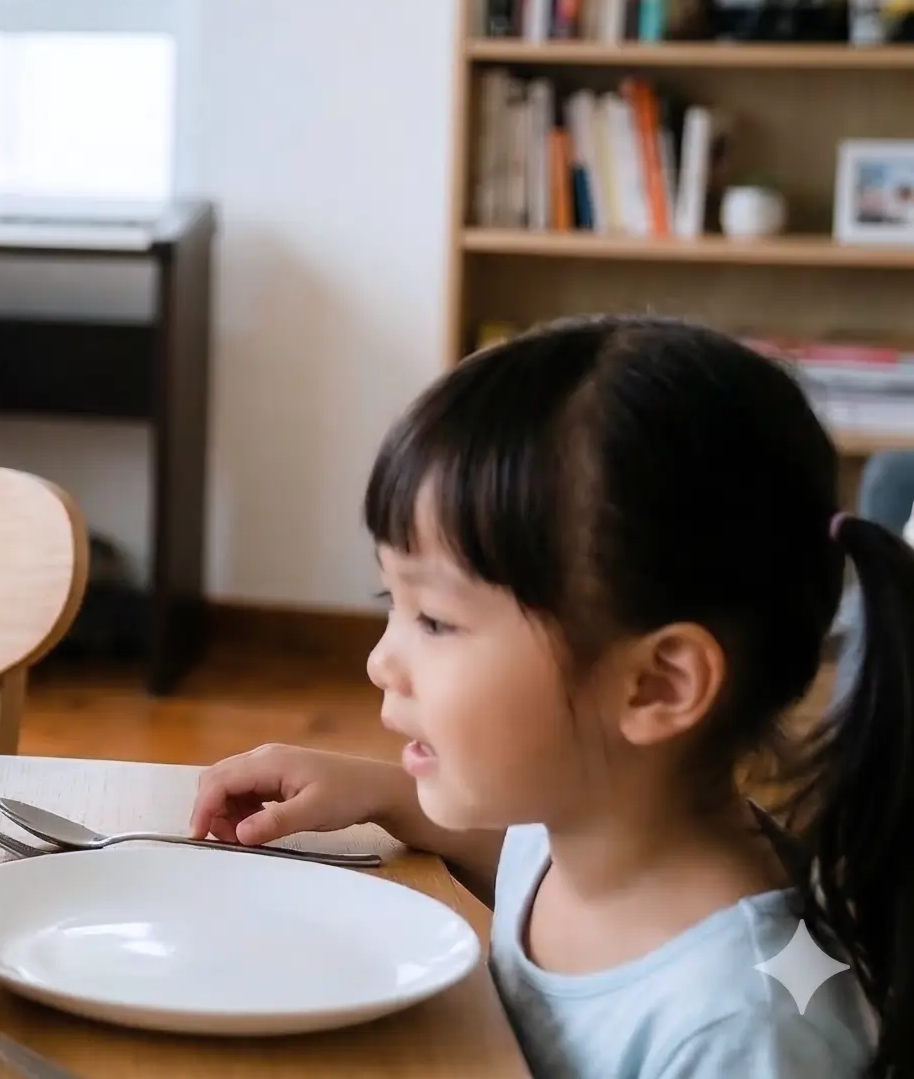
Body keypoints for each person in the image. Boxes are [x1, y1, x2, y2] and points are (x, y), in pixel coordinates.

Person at [189, 317, 899, 1077]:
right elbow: (515, 853)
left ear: (657, 685)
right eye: (388, 599)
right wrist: (383, 793)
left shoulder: (747, 1033)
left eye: (435, 619)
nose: (380, 661)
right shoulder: (583, 828)